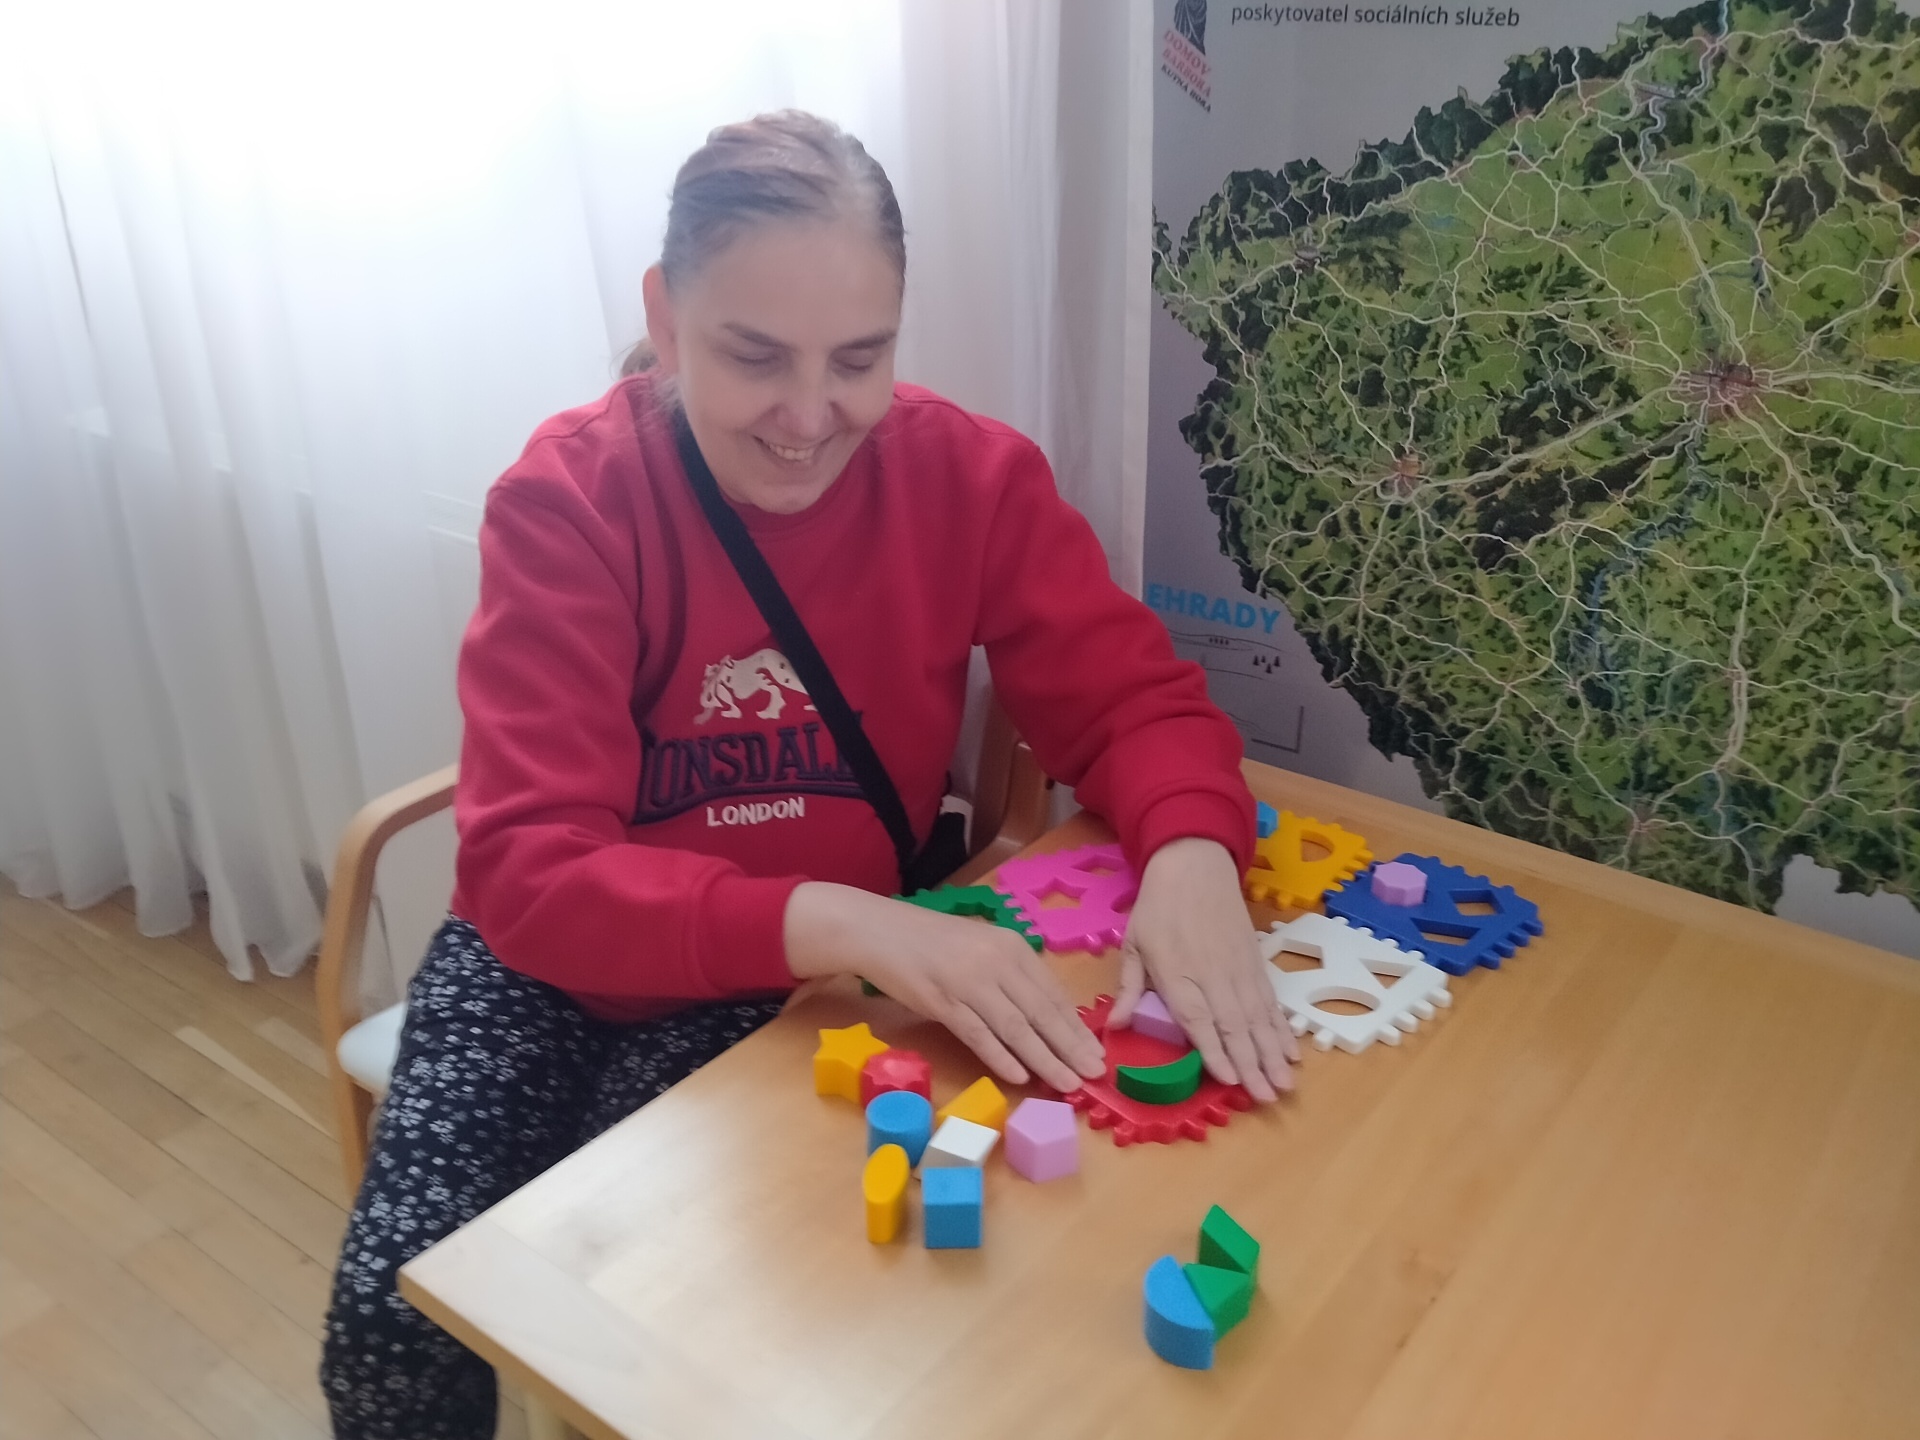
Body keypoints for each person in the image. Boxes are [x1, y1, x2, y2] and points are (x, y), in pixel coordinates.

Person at [321, 109, 1295, 1439]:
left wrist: (1189, 855)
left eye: (859, 358)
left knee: (650, 1305)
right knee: (392, 1325)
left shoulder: (968, 479)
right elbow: (531, 878)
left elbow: (1135, 702)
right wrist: (852, 923)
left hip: (778, 988)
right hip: (553, 969)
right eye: (753, 356)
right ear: (664, 320)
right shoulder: (572, 499)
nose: (808, 416)